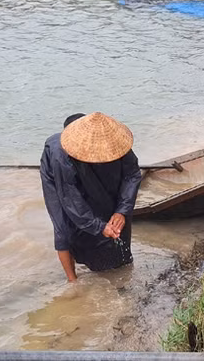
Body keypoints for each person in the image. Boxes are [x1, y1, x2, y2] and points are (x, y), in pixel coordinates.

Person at [40, 112, 142, 281]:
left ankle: (118, 264)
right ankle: (72, 280)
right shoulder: (60, 156)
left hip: (93, 173)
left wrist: (121, 211)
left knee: (111, 213)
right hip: (58, 181)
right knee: (63, 227)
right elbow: (70, 198)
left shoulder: (116, 142)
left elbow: (132, 174)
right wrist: (99, 227)